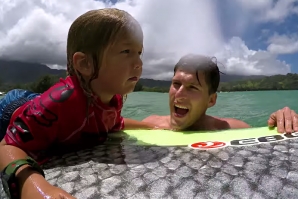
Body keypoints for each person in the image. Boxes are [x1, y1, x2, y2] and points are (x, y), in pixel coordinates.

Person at [0, 8, 159, 199]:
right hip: (11, 109)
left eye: (139, 52)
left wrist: (152, 124)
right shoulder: (63, 100)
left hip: (42, 107)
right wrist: (32, 185)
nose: (139, 63)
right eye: (126, 51)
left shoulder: (113, 98)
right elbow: (7, 146)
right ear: (85, 64)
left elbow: (114, 124)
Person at [143, 54, 298, 133]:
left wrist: (281, 121)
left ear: (211, 100)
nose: (179, 94)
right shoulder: (149, 124)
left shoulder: (233, 128)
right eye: (176, 84)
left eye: (192, 87)